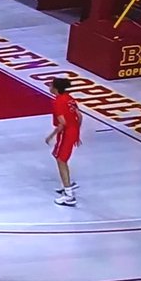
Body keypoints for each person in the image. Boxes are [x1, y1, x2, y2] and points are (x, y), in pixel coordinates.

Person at [46, 77, 83, 206]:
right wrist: (77, 133)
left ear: (55, 88)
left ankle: (69, 195)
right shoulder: (69, 98)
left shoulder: (58, 102)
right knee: (62, 159)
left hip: (65, 133)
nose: (49, 87)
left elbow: (62, 123)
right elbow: (79, 116)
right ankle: (67, 184)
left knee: (61, 160)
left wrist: (51, 136)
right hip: (73, 131)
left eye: (50, 85)